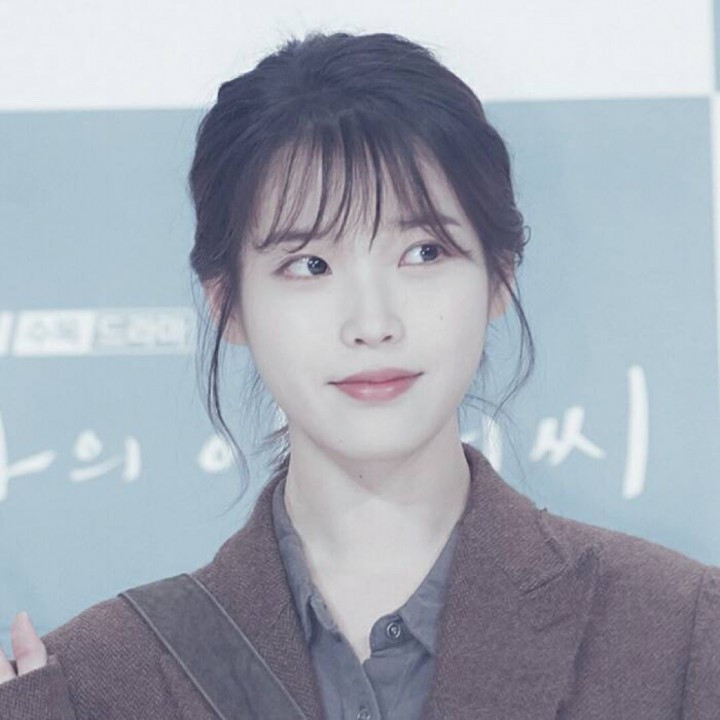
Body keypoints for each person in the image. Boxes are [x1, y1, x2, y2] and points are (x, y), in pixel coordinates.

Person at [1, 30, 718, 720]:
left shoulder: (679, 633)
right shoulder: (100, 682)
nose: (372, 322)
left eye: (423, 253)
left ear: (500, 276)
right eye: (310, 265)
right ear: (228, 305)